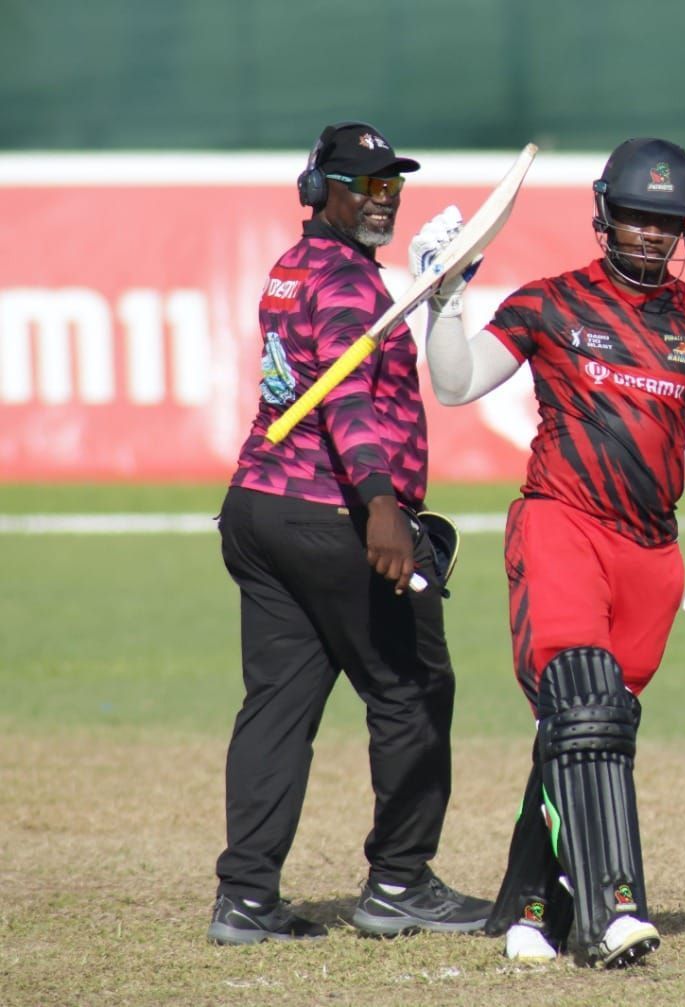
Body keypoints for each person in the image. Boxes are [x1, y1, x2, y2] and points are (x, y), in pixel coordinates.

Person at [410, 136, 685, 967]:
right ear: (606, 215)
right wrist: (443, 302)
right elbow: (458, 383)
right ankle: (616, 909)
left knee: (585, 733)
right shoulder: (549, 304)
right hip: (561, 524)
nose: (649, 234)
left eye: (666, 221)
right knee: (585, 707)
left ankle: (533, 907)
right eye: (638, 218)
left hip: (653, 554)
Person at [209, 121, 491, 945]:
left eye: (391, 185)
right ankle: (400, 880)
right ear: (318, 190)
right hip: (332, 516)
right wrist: (380, 503)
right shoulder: (344, 284)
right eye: (368, 186)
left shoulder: (293, 271)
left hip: (258, 508)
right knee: (412, 692)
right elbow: (345, 397)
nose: (385, 199)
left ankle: (246, 896)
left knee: (277, 706)